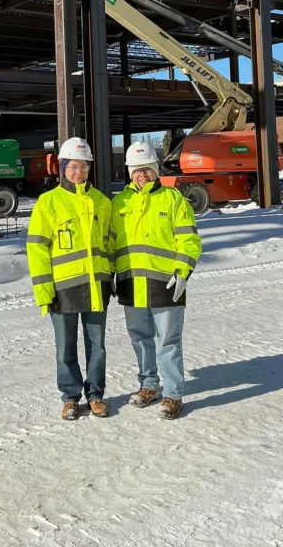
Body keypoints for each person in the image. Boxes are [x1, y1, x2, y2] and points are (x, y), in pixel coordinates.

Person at [109, 142, 202, 420]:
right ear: (129, 173)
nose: (142, 175)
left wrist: (182, 272)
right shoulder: (119, 202)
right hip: (131, 282)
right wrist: (110, 273)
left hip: (166, 283)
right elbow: (111, 242)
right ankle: (149, 385)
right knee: (140, 338)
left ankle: (173, 393)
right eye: (137, 171)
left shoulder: (173, 200)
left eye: (147, 170)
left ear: (155, 170)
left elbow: (189, 240)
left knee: (168, 341)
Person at [27, 137, 113, 421]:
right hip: (62, 289)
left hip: (96, 286)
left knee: (97, 346)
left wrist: (111, 277)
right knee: (65, 347)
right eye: (73, 166)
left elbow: (109, 243)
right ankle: (70, 397)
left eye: (84, 167)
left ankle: (96, 395)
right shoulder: (48, 202)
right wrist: (43, 291)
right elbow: (37, 248)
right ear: (63, 167)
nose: (79, 172)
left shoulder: (101, 201)